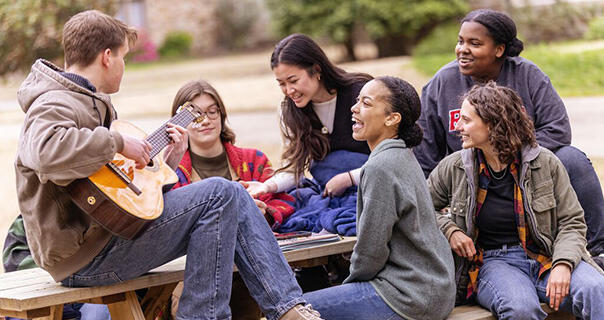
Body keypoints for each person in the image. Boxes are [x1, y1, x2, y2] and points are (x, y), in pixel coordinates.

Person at [14, 10, 322, 320]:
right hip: (87, 255)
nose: (124, 66)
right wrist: (118, 143)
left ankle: (287, 309)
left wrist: (167, 164)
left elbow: (111, 190)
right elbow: (44, 153)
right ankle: (273, 311)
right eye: (123, 57)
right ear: (107, 56)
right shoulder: (54, 102)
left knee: (228, 195)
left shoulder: (87, 100)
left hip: (108, 237)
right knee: (221, 193)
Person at [414, 8, 604, 268]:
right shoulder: (441, 84)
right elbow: (425, 151)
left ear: (499, 50)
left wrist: (508, 152)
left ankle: (600, 250)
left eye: (475, 43)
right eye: (460, 41)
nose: (462, 49)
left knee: (573, 158)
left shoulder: (528, 75)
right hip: (471, 176)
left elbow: (558, 129)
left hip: (528, 168)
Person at [427, 81, 604, 319]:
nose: (458, 126)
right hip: (494, 262)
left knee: (596, 289)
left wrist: (563, 263)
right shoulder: (455, 166)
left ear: (492, 125)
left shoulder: (545, 163)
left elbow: (571, 222)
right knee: (521, 309)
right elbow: (421, 208)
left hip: (547, 254)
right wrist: (449, 230)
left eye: (466, 120)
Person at [304, 76, 456, 320]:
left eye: (366, 103)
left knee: (293, 310)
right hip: (434, 290)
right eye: (357, 101)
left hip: (408, 296)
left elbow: (370, 251)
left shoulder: (380, 167)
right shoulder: (402, 155)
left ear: (392, 118)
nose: (354, 109)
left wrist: (349, 288)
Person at [167, 79, 296, 320]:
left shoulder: (254, 159)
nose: (205, 120)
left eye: (212, 111)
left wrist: (264, 213)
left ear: (222, 114)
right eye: (194, 115)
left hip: (250, 273)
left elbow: (286, 201)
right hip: (193, 274)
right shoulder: (171, 172)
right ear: (178, 123)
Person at [245, 33, 373, 237]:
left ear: (316, 70)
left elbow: (394, 156)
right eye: (281, 83)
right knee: (293, 203)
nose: (289, 90)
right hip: (328, 190)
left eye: (293, 80)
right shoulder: (290, 111)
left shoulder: (361, 94)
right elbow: (295, 168)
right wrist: (266, 186)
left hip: (371, 184)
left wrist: (349, 178)